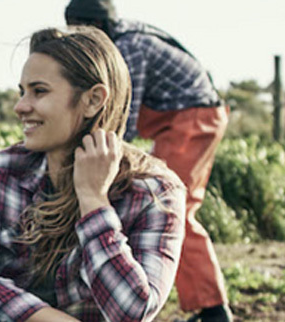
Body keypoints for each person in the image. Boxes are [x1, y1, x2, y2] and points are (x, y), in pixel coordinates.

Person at [0, 27, 186, 322]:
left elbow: (132, 313)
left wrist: (94, 200)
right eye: (22, 92)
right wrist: (46, 317)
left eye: (39, 91)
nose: (21, 106)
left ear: (92, 100)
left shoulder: (155, 191)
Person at [64, 1, 233, 321]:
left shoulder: (129, 49)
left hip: (193, 117)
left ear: (100, 27)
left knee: (171, 208)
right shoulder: (121, 39)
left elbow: (122, 116)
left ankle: (214, 311)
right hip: (174, 118)